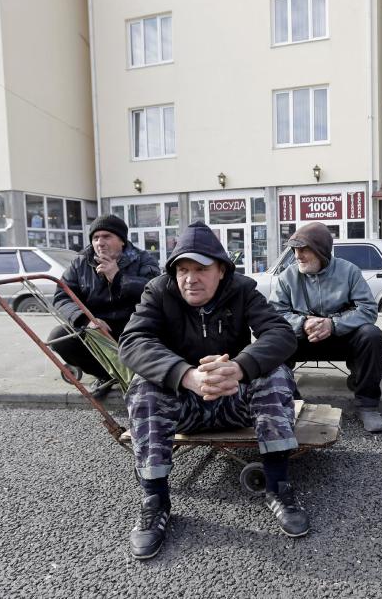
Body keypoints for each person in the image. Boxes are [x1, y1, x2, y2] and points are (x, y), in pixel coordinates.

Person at [119, 221, 306, 560]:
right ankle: (155, 500)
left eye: (201, 268)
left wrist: (239, 367)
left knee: (275, 372)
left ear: (221, 270)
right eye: (183, 269)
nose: (191, 278)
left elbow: (281, 334)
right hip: (184, 407)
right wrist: (186, 375)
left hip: (233, 401)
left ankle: (278, 486)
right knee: (143, 386)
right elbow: (133, 342)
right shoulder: (158, 292)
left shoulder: (243, 290)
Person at [269, 222, 382, 434]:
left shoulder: (349, 271)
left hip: (341, 339)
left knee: (372, 335)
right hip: (303, 340)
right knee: (271, 340)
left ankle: (368, 406)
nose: (297, 256)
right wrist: (303, 323)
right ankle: (292, 403)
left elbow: (368, 310)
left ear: (322, 251)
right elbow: (275, 314)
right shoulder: (288, 276)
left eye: (304, 249)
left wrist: (333, 325)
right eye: (295, 250)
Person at [49, 215, 160, 398]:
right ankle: (107, 376)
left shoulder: (142, 259)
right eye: (95, 238)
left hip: (134, 324)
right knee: (59, 337)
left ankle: (140, 377)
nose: (100, 242)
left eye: (106, 236)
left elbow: (155, 293)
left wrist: (118, 277)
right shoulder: (81, 262)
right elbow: (62, 297)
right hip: (98, 327)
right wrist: (86, 320)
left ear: (121, 241)